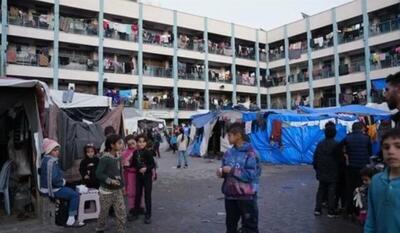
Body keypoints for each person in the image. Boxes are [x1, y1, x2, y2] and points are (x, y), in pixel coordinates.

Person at [217, 122, 261, 233]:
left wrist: (231, 170)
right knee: (231, 228)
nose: (228, 138)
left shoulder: (251, 153)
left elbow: (251, 175)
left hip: (246, 198)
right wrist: (222, 173)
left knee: (250, 228)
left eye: (230, 135)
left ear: (238, 135)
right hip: (230, 197)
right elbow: (225, 170)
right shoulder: (228, 153)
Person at [39, 138, 83, 227]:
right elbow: (55, 180)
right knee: (75, 195)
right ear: (49, 151)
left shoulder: (44, 160)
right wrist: (63, 182)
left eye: (57, 149)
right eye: (54, 150)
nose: (57, 152)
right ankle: (71, 219)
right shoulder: (51, 162)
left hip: (45, 188)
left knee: (70, 188)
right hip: (52, 190)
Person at [365, 129, 400, 233]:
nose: (391, 151)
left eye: (398, 146)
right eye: (386, 147)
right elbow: (371, 218)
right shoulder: (376, 181)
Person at [95, 134, 126, 233]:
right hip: (106, 192)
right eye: (119, 143)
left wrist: (122, 186)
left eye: (122, 143)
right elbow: (98, 173)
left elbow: (120, 172)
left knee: (121, 212)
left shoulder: (118, 157)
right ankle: (100, 229)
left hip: (117, 191)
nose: (122, 145)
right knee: (104, 212)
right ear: (112, 145)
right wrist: (110, 180)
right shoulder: (105, 158)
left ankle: (120, 230)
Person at [343, 122, 372, 217]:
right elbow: (370, 152)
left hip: (351, 167)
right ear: (361, 128)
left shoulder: (347, 138)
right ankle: (361, 210)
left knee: (350, 188)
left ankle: (350, 210)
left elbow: (342, 149)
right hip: (363, 167)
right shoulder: (366, 138)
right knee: (362, 188)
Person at [313, 122, 340, 217]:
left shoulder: (320, 144)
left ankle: (317, 209)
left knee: (321, 190)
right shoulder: (337, 144)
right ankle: (330, 211)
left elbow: (315, 158)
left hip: (322, 171)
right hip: (333, 171)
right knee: (331, 191)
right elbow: (340, 159)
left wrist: (316, 168)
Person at [130, 134, 156, 224]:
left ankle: (148, 214)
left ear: (146, 143)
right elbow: (133, 164)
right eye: (139, 142)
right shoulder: (135, 153)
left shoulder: (148, 152)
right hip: (138, 177)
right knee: (138, 194)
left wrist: (146, 168)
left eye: (143, 142)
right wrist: (126, 163)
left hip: (147, 177)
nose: (141, 144)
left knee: (147, 195)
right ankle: (136, 213)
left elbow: (153, 164)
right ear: (136, 142)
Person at [122, 135, 137, 216]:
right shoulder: (124, 153)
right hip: (130, 174)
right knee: (131, 192)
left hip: (139, 175)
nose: (131, 145)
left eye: (133, 143)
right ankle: (131, 208)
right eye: (129, 144)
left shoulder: (140, 150)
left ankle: (140, 207)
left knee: (140, 191)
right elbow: (124, 164)